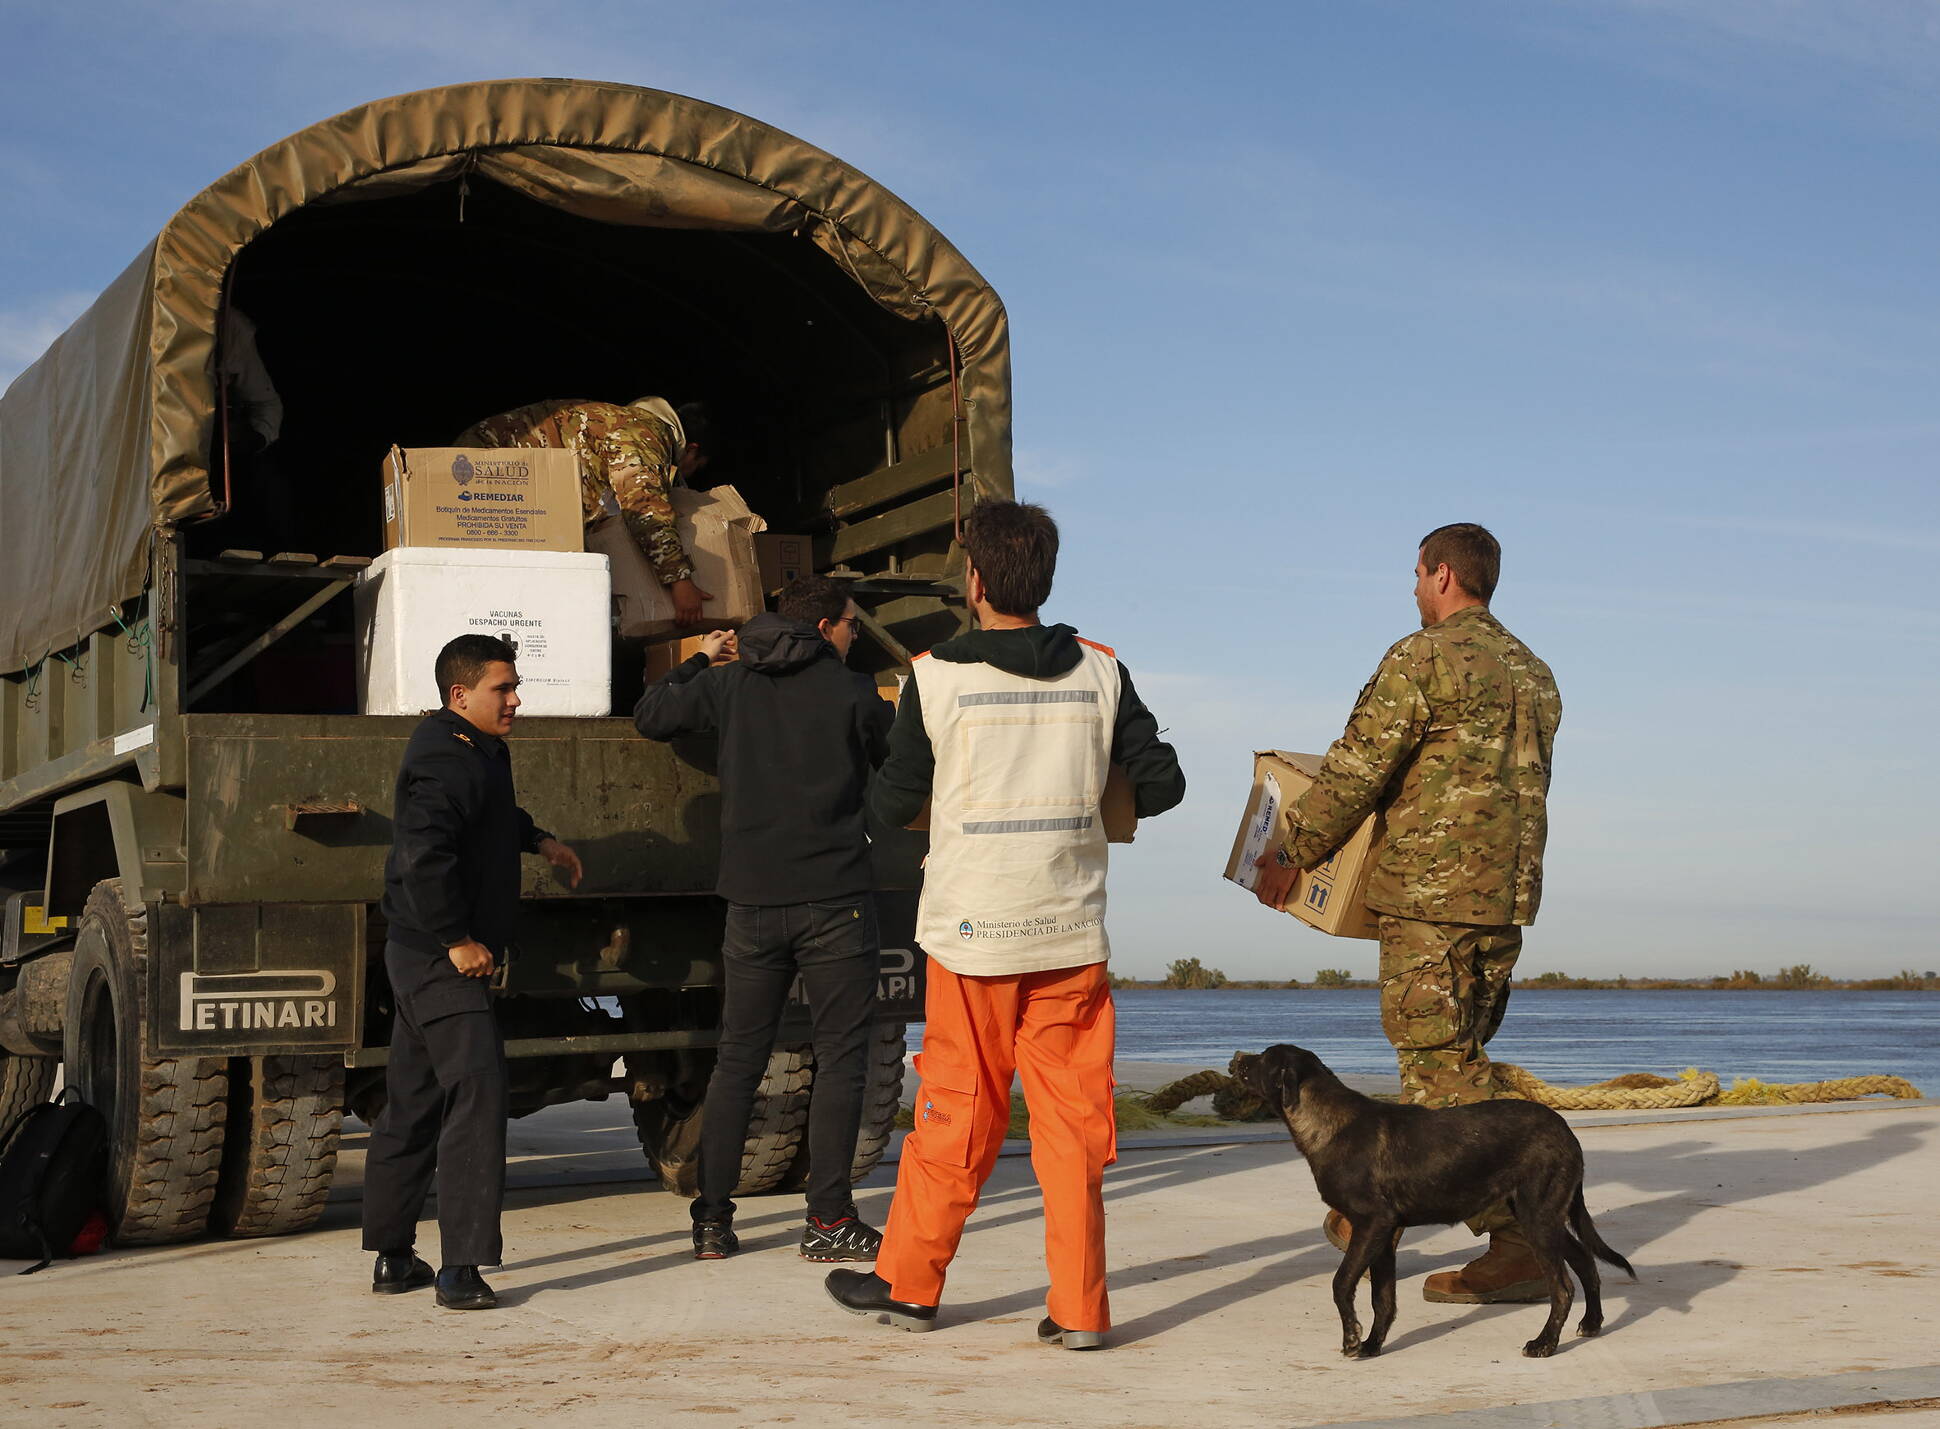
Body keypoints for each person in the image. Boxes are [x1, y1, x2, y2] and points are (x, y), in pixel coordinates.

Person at [825, 500, 1185, 1351]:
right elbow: (1161, 786)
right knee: (1071, 1127)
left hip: (972, 937)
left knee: (959, 1109)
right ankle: (1082, 1309)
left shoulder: (934, 675)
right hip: (1069, 939)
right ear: (1045, 579)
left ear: (974, 581)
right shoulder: (1102, 671)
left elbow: (893, 805)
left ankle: (910, 1284)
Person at [1251, 521, 1562, 1305]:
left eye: (1419, 575)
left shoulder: (1422, 657)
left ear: (1445, 574)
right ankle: (1377, 1211)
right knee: (1461, 1063)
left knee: (1438, 1076)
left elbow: (1357, 769)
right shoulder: (1536, 672)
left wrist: (1290, 851)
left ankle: (1521, 1240)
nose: (1415, 589)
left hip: (1432, 902)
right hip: (1503, 902)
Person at [632, 575, 895, 1261]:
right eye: (850, 626)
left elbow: (650, 715)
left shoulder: (731, 683)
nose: (853, 636)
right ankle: (828, 1222)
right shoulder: (853, 691)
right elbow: (896, 773)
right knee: (840, 1059)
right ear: (826, 627)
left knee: (738, 1059)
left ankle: (713, 1222)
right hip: (834, 900)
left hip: (750, 903)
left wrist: (698, 656)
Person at [361, 634, 583, 1310]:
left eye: (515, 686)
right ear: (460, 695)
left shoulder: (480, 748)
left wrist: (538, 837)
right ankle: (460, 1269)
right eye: (503, 688)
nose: (516, 699)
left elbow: (486, 816)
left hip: (418, 953)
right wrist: (457, 939)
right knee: (478, 1096)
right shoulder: (438, 756)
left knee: (414, 1100)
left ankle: (395, 1258)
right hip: (436, 958)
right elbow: (421, 856)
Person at [456, 397, 714, 624]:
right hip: (486, 475)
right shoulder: (642, 429)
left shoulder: (618, 421)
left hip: (493, 479)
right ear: (692, 449)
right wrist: (680, 581)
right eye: (697, 466)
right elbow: (643, 506)